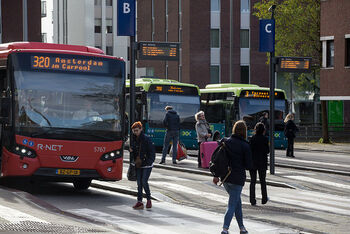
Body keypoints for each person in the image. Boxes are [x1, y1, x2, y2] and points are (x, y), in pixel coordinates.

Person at [213, 120, 253, 234]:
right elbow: (249, 165)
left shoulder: (225, 141)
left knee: (237, 203)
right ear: (244, 131)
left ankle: (242, 228)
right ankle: (225, 229)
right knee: (232, 204)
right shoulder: (245, 145)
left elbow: (217, 159)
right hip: (237, 178)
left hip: (225, 177)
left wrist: (216, 175)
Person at [129, 121, 155, 209]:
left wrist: (149, 162)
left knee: (144, 182)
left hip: (146, 164)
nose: (135, 132)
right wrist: (132, 151)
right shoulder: (134, 139)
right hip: (139, 164)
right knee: (139, 183)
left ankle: (148, 200)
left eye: (136, 130)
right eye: (134, 131)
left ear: (141, 129)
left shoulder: (146, 139)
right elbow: (134, 153)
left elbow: (152, 152)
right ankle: (139, 202)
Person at [249, 122, 269, 206]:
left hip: (253, 162)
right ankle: (264, 198)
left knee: (252, 181)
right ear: (263, 130)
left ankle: (252, 199)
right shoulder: (265, 139)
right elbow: (268, 150)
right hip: (262, 162)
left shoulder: (252, 138)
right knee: (262, 181)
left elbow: (249, 150)